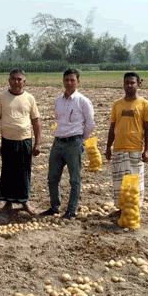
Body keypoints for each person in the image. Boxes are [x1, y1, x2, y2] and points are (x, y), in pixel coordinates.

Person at [39, 69, 95, 220]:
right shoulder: (58, 100)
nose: (69, 83)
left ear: (78, 81)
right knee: (52, 178)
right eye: (67, 80)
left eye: (72, 80)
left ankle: (71, 210)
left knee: (74, 179)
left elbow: (90, 124)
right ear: (63, 81)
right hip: (58, 142)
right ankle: (54, 207)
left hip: (74, 143)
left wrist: (81, 140)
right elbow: (58, 120)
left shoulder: (83, 101)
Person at [0, 68, 41, 215]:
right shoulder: (2, 97)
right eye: (13, 79)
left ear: (24, 81)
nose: (16, 81)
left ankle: (25, 202)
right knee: (8, 171)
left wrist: (37, 143)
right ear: (9, 80)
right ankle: (8, 203)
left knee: (24, 171)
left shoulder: (30, 98)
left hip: (25, 140)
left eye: (19, 79)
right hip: (7, 140)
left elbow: (36, 122)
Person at [105, 72, 148, 214]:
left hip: (136, 149)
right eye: (127, 83)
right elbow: (112, 127)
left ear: (139, 84)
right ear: (123, 84)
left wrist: (147, 150)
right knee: (120, 183)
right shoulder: (117, 104)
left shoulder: (144, 104)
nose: (129, 85)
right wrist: (108, 147)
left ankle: (134, 209)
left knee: (135, 183)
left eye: (132, 83)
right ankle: (121, 209)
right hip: (119, 148)